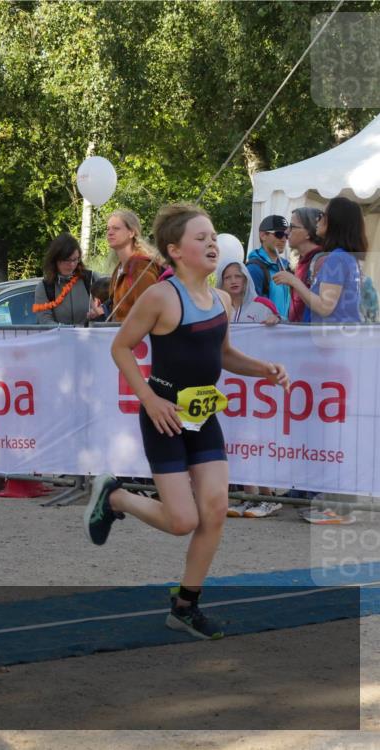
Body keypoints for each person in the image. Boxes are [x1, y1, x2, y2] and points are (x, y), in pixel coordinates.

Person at [85, 204, 290, 640]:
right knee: (182, 521)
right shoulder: (161, 296)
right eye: (201, 238)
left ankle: (185, 606)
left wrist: (265, 368)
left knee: (214, 510)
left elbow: (224, 356)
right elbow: (121, 348)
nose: (212, 243)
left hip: (203, 414)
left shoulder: (222, 298)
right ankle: (115, 496)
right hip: (164, 416)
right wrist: (150, 401)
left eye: (214, 235)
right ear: (175, 251)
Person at [272, 196, 364, 324]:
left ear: (334, 221)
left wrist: (293, 281)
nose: (317, 219)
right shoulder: (345, 257)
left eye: (322, 215)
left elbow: (324, 307)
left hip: (334, 339)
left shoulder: (336, 258)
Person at [32, 233, 104, 325]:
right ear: (55, 259)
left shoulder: (92, 279)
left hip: (90, 337)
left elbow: (110, 309)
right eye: (67, 260)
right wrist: (70, 332)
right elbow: (45, 321)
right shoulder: (44, 287)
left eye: (75, 259)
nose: (72, 265)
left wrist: (100, 312)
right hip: (59, 338)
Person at [105, 210, 161, 322]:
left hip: (137, 337)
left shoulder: (140, 267)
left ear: (131, 233)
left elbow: (148, 313)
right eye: (108, 228)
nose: (110, 232)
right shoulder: (120, 267)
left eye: (116, 228)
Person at [245, 215, 292, 321]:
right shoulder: (254, 269)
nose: (284, 239)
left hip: (285, 332)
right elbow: (251, 310)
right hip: (266, 333)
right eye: (279, 234)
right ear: (263, 235)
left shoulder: (286, 267)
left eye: (287, 235)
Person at [284, 208, 326, 323]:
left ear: (308, 232)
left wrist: (293, 281)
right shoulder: (303, 261)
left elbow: (324, 308)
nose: (286, 232)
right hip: (301, 337)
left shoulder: (321, 261)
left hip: (314, 338)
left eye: (292, 227)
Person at [214, 259, 279, 324]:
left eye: (238, 276)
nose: (233, 281)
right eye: (227, 277)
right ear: (221, 283)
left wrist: (277, 319)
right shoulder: (216, 308)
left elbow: (284, 327)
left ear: (245, 279)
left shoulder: (264, 304)